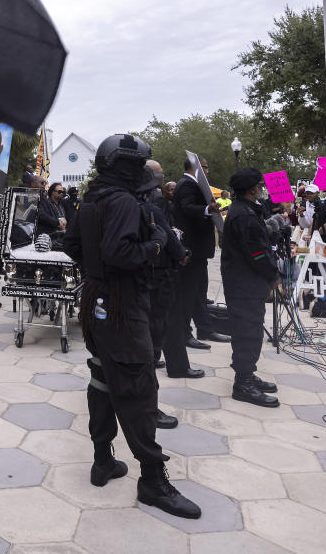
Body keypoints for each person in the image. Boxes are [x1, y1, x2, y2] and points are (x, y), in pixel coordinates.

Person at [65, 134, 200, 519]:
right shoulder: (123, 200)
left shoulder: (92, 198)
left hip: (98, 302)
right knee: (139, 388)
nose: (144, 171)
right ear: (127, 166)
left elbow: (72, 243)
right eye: (139, 164)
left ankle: (102, 460)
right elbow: (121, 253)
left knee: (103, 378)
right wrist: (157, 244)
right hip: (123, 307)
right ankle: (153, 481)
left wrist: (98, 274)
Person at [221, 169, 281, 407]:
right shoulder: (243, 214)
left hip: (246, 281)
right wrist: (273, 276)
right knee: (247, 331)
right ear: (250, 189)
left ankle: (247, 373)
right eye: (259, 185)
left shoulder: (246, 210)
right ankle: (243, 383)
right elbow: (256, 253)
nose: (262, 188)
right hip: (244, 283)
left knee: (252, 329)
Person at [143, 160, 187, 429]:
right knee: (152, 338)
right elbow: (163, 236)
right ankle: (148, 407)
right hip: (156, 277)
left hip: (143, 278)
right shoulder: (150, 201)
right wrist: (179, 252)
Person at [173, 157, 229, 358]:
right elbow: (188, 209)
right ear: (196, 168)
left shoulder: (193, 184)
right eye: (205, 168)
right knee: (188, 293)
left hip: (199, 250)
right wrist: (208, 209)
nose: (208, 171)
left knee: (199, 292)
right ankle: (184, 333)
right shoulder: (187, 184)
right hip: (192, 247)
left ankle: (205, 328)